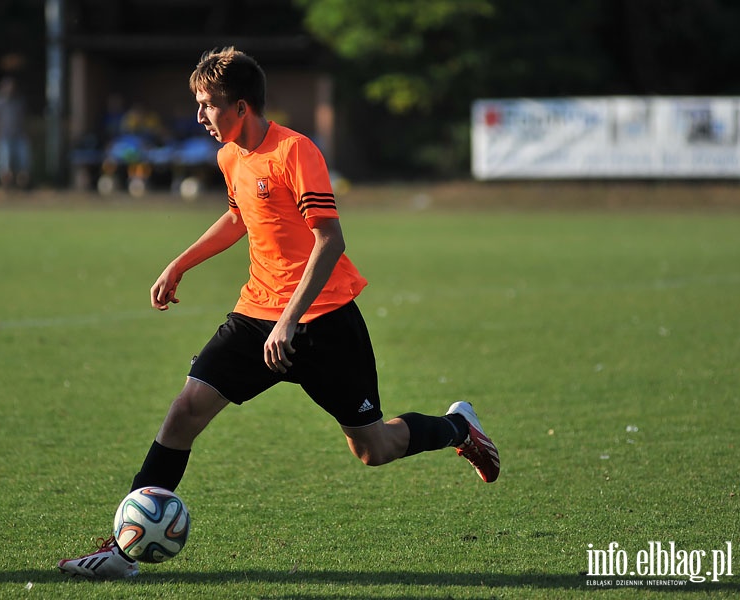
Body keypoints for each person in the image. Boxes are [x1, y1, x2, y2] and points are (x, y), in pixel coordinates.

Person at [58, 47, 500, 580]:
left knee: (374, 448)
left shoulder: (296, 151)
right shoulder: (229, 156)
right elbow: (239, 215)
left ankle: (459, 428)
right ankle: (122, 549)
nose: (200, 115)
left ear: (241, 106)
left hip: (324, 321)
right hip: (255, 315)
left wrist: (291, 317)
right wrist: (181, 264)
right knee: (184, 412)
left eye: (207, 104)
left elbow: (330, 241)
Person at [0, 76, 31, 189]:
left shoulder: (19, 101)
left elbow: (24, 119)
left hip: (19, 136)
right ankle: (7, 189)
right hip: (3, 137)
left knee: (23, 166)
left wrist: (27, 134)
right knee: (4, 167)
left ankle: (22, 189)